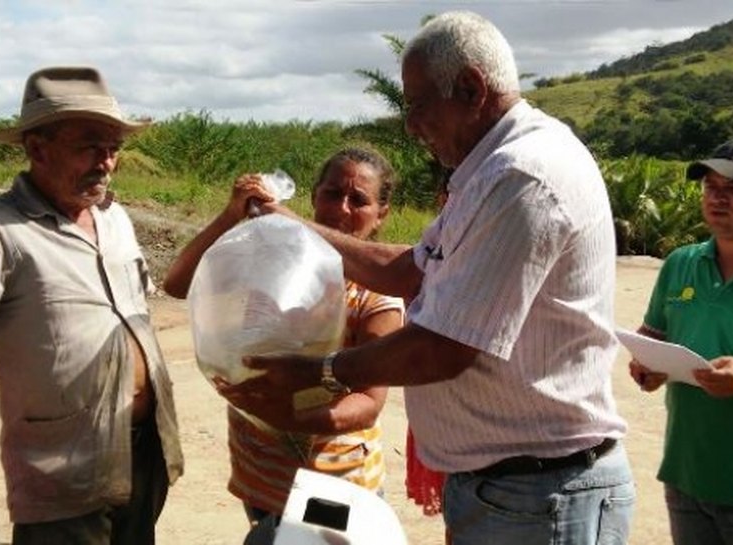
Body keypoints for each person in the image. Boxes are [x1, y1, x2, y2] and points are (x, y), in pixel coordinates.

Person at [230, 10, 635, 545]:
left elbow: (441, 350)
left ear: (470, 88)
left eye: (417, 104)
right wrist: (288, 224)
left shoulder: (522, 175)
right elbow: (408, 270)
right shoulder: (490, 172)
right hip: (512, 489)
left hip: (540, 494)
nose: (409, 123)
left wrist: (319, 371)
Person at [0, 66, 184, 545]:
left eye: (113, 149)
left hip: (143, 455)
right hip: (61, 473)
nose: (105, 162)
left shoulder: (115, 218)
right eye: (89, 146)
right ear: (37, 148)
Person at [162, 146, 404, 542]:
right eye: (331, 193)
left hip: (335, 484)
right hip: (262, 479)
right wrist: (230, 214)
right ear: (312, 196)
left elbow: (368, 404)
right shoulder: (271, 262)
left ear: (382, 215)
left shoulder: (375, 296)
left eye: (358, 200)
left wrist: (284, 416)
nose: (341, 209)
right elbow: (178, 284)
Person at [628, 135, 733, 545]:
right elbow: (653, 337)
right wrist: (648, 367)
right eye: (710, 188)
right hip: (687, 480)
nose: (717, 199)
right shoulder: (680, 263)